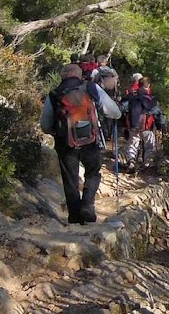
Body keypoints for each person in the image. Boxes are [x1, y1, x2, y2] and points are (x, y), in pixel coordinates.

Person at [40, 63, 121, 225]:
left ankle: (75, 218)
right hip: (90, 141)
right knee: (93, 173)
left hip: (65, 144)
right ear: (79, 75)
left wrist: (55, 132)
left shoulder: (54, 94)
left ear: (62, 76)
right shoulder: (90, 87)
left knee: (70, 179)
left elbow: (45, 125)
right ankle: (87, 205)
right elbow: (114, 112)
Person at [123, 77, 165, 172]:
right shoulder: (152, 100)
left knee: (133, 144)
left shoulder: (131, 97)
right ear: (149, 86)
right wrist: (160, 126)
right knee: (149, 145)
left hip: (133, 126)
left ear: (139, 85)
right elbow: (158, 113)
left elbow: (122, 109)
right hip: (147, 127)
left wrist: (124, 126)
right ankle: (148, 164)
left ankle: (131, 161)